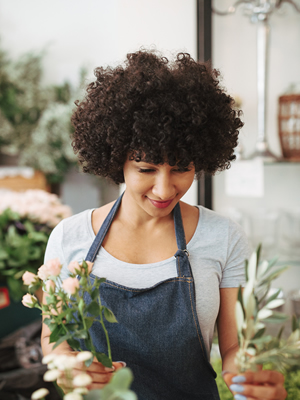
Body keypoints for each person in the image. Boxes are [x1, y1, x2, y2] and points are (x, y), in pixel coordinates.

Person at [41, 50, 287, 400]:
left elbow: (234, 350)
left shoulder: (223, 237)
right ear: (117, 159)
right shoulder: (70, 237)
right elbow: (54, 342)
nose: (164, 188)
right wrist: (69, 370)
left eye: (182, 168)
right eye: (146, 169)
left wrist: (251, 379)